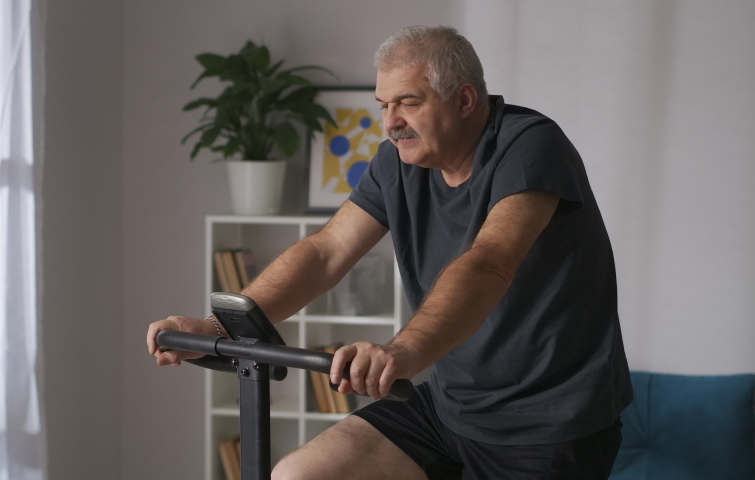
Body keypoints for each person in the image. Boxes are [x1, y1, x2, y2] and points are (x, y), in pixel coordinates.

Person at [147, 25, 632, 480]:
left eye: (408, 103)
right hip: (448, 409)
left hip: (548, 425)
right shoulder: (398, 164)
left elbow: (490, 262)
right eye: (383, 105)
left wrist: (400, 351)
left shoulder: (529, 147)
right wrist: (217, 328)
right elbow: (327, 251)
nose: (390, 123)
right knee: (297, 474)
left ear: (464, 100)